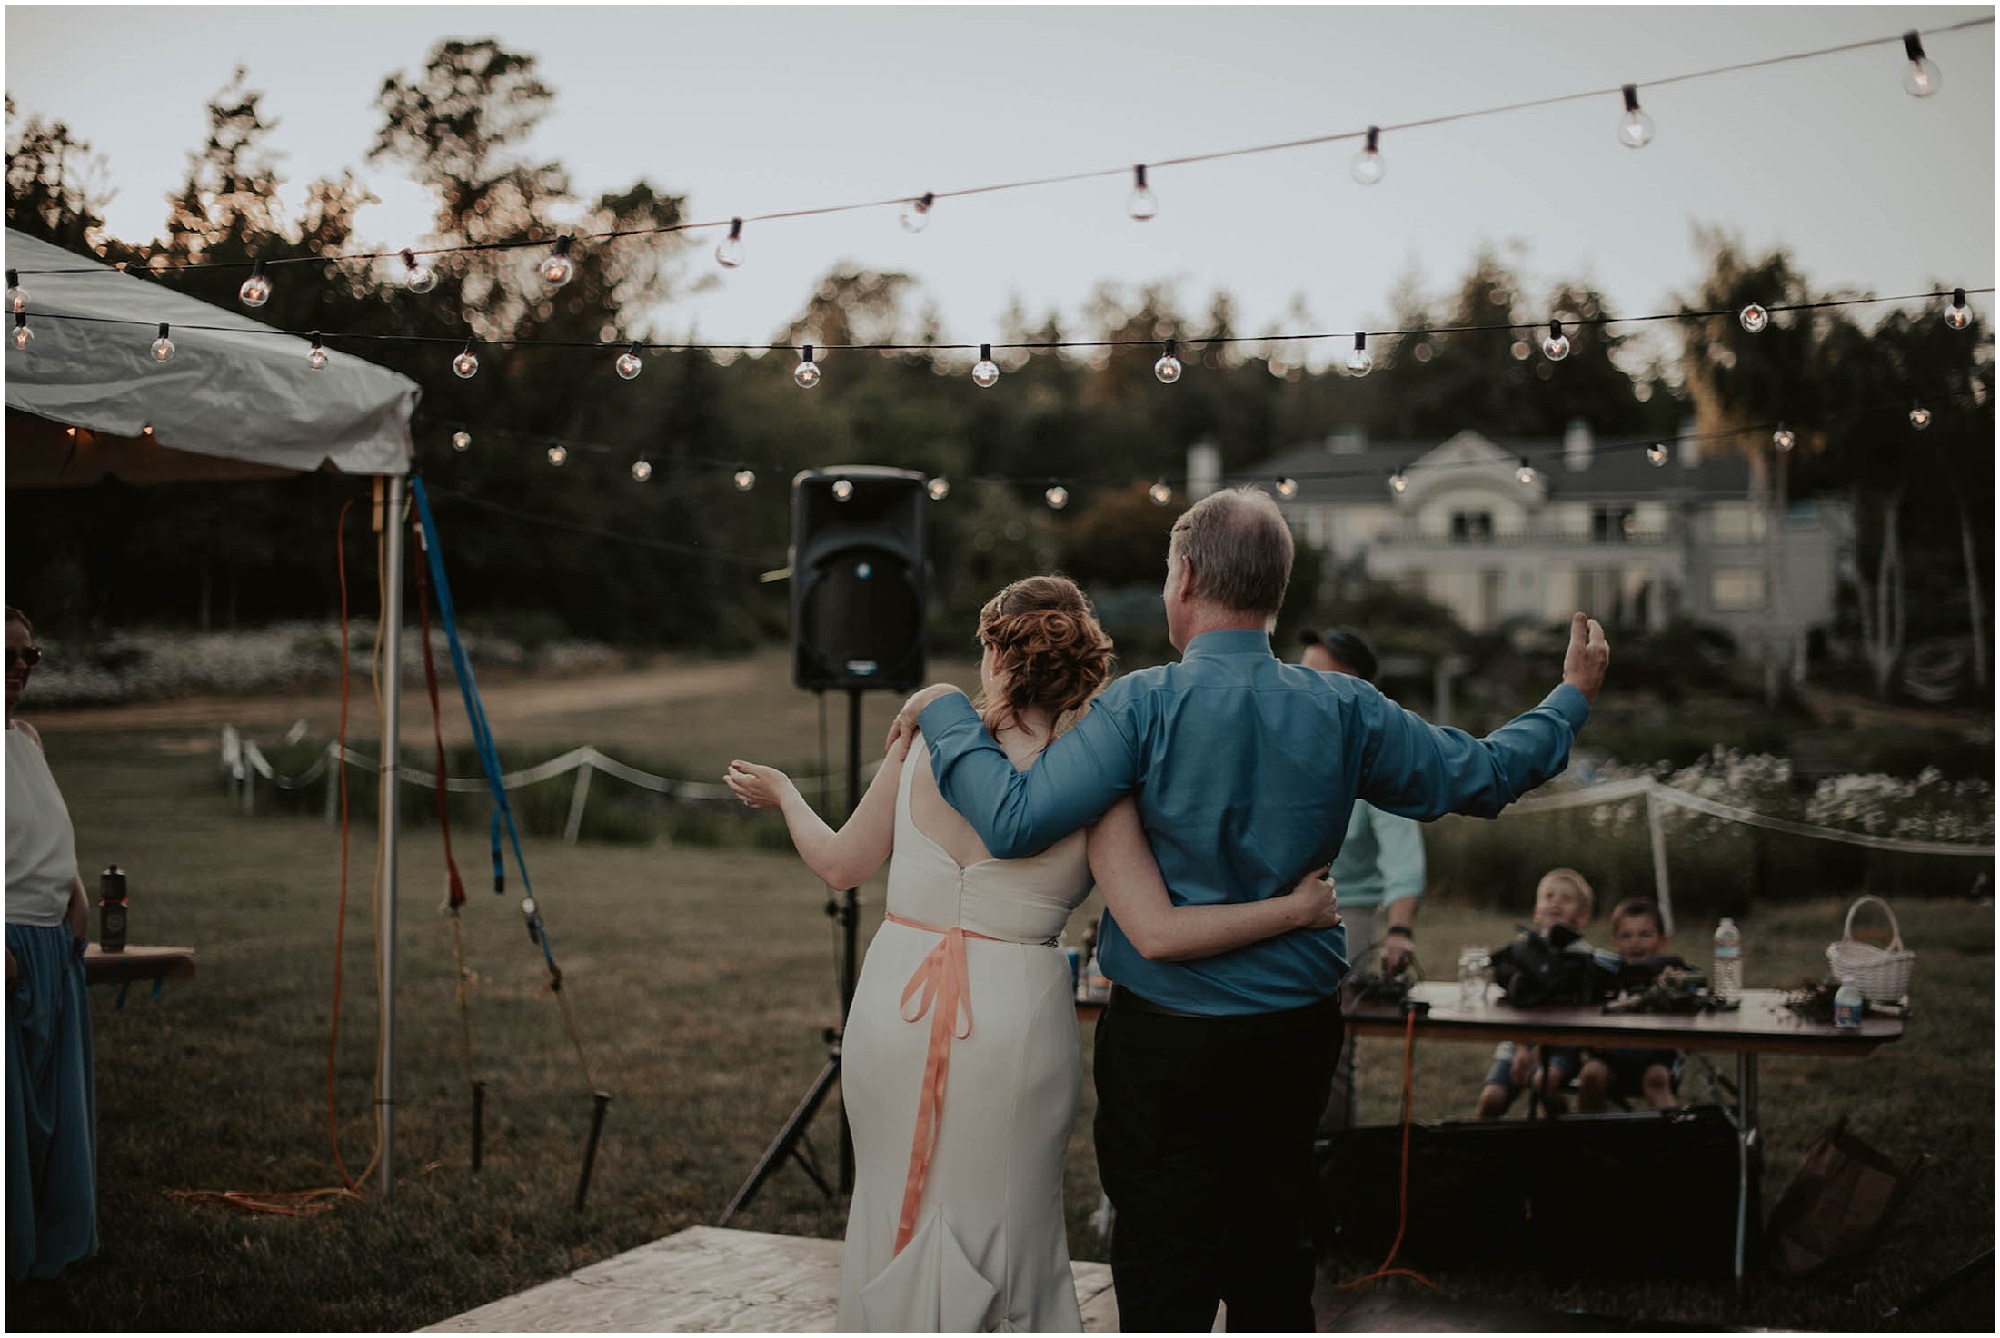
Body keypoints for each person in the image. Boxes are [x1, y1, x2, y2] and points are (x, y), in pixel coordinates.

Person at [891, 487, 1610, 1331]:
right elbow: (1481, 775)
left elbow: (1014, 820)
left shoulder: (1141, 704)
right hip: (1292, 1032)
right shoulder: (1344, 707)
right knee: (1273, 1247)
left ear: (1187, 578)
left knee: (1164, 1260)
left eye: (1167, 575)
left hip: (1165, 1033)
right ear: (1276, 591)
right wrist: (1570, 698)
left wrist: (945, 712)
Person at [723, 575, 1343, 1332]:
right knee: (1008, 1218)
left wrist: (788, 793)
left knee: (891, 1202)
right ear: (1077, 671)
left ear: (995, 653)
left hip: (892, 1005)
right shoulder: (1095, 784)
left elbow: (842, 865)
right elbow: (1159, 932)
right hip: (1012, 1019)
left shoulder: (922, 745)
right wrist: (1297, 908)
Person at [1299, 627, 1425, 1134]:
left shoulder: (1376, 755)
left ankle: (1332, 1171)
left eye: (1320, 675)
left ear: (1356, 687)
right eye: (1301, 671)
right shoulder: (1285, 741)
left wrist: (1400, 931)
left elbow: (1403, 857)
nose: (1304, 684)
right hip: (1273, 911)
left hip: (1346, 913)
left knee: (1331, 1052)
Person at [6, 605, 98, 1285]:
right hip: (5, 947)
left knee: (54, 1111)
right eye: (7, 656)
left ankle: (54, 1243)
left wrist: (75, 887)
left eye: (30, 657)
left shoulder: (28, 736)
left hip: (51, 942)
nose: (19, 670)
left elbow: (42, 823)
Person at [1474, 867, 1598, 1120]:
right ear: (1536, 912)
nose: (1556, 903)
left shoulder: (1580, 959)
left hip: (1561, 1045)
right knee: (1491, 1099)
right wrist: (1521, 1048)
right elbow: (1510, 1003)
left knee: (1544, 1083)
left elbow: (1572, 1015)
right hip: (1517, 1043)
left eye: (1566, 898)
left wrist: (1537, 1050)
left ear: (1583, 917)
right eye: (1549, 896)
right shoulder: (1524, 951)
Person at [1576, 897, 1682, 1113]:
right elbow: (1587, 1011)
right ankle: (1590, 1141)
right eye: (1626, 935)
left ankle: (1673, 1140)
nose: (1635, 942)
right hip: (1611, 1055)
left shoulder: (1669, 973)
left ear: (1662, 940)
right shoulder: (1605, 976)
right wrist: (1592, 1037)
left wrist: (1678, 984)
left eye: (1645, 934)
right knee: (1591, 1075)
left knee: (1657, 1080)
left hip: (1656, 1057)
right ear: (1615, 942)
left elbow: (1692, 996)